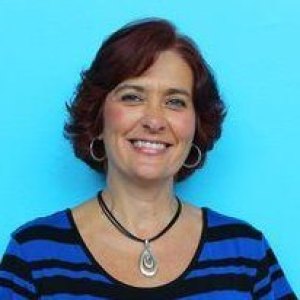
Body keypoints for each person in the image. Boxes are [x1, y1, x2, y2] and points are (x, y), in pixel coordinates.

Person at [0, 18, 296, 299]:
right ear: (98, 116)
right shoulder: (34, 254)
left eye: (175, 102)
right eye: (132, 97)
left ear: (196, 124)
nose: (154, 121)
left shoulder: (245, 253)